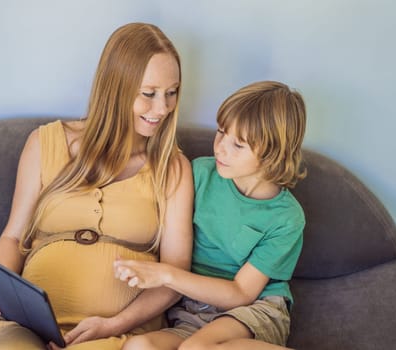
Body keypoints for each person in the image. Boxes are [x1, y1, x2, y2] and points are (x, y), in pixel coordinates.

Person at [0, 22, 194, 350]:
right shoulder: (45, 143)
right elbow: (12, 237)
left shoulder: (174, 169)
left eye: (172, 92)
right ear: (116, 87)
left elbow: (175, 276)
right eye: (149, 93)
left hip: (118, 333)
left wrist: (113, 325)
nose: (163, 108)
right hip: (25, 324)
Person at [114, 80, 307, 350]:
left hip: (253, 309)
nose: (220, 148)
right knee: (139, 346)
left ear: (274, 154)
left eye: (238, 145)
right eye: (220, 132)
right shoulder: (199, 174)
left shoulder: (286, 217)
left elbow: (241, 293)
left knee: (196, 349)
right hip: (191, 311)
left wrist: (166, 275)